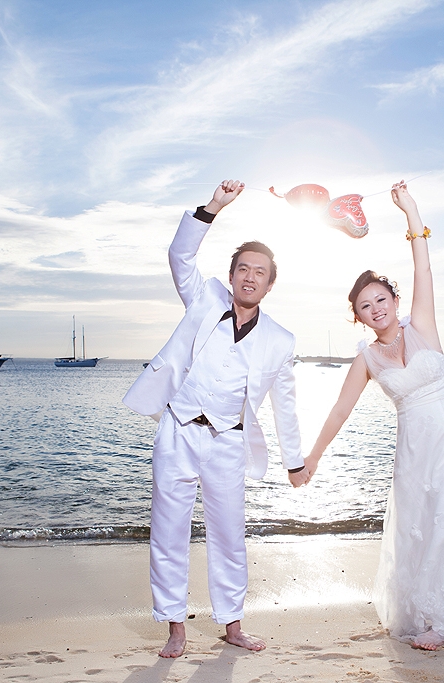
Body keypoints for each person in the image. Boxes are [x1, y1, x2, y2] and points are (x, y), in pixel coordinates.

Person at [299, 181, 444, 650]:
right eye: (365, 306)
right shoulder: (366, 359)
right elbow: (339, 410)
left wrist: (410, 211)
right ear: (359, 317)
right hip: (413, 451)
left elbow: (423, 266)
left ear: (394, 300)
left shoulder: (422, 325)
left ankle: (443, 623)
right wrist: (314, 457)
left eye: (380, 299)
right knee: (417, 529)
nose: (375, 309)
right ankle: (423, 614)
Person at [123, 179, 308, 658]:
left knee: (229, 537)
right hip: (178, 431)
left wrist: (294, 461)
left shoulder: (280, 340)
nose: (250, 277)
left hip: (229, 442)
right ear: (231, 275)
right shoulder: (204, 299)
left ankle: (233, 625)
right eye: (243, 268)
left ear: (270, 284)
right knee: (168, 533)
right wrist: (213, 207)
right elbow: (179, 256)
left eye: (260, 272)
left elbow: (284, 404)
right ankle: (175, 627)